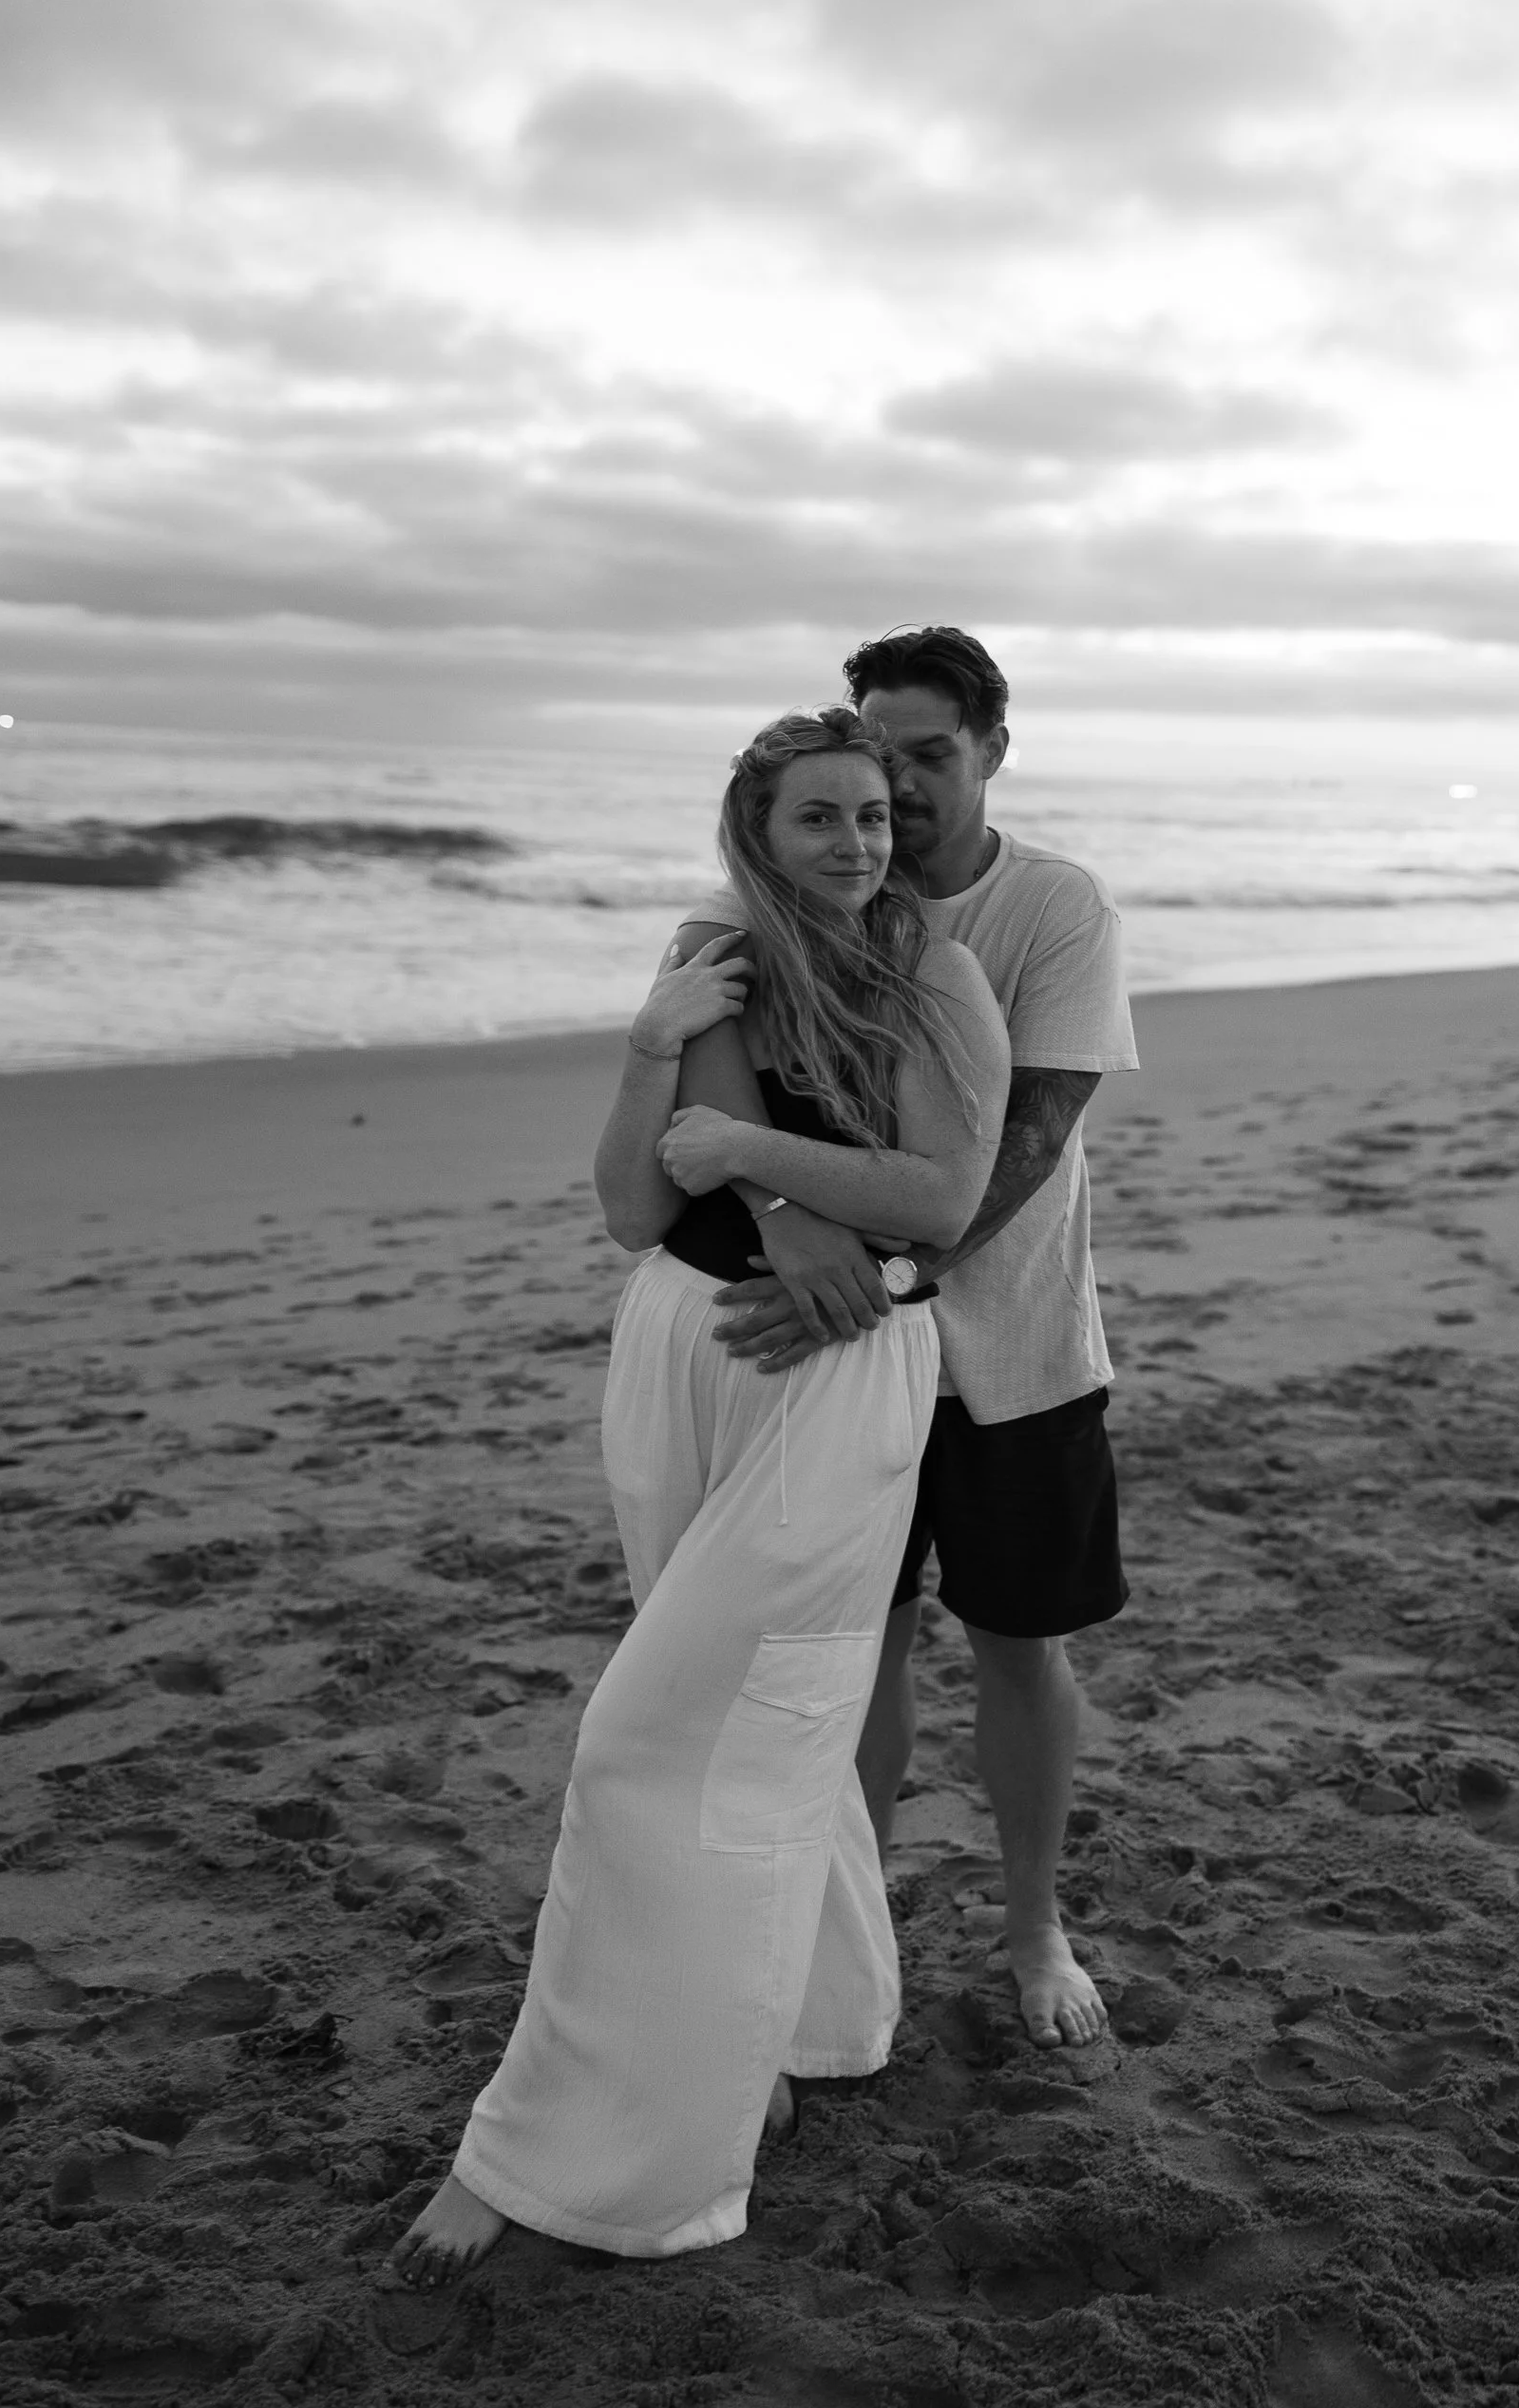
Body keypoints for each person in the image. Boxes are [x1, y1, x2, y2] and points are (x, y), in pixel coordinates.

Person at [393, 707, 1009, 2280]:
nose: (857, 845)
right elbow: (626, 1203)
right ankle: (818, 2020)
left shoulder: (933, 978)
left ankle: (594, 2157)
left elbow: (942, 1194)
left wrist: (751, 1152)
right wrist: (655, 1043)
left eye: (874, 816)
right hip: (683, 1344)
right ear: (754, 823)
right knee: (765, 1723)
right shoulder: (713, 956)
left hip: (839, 1376)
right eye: (820, 818)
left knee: (653, 1741)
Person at [675, 628, 1139, 2054]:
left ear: (995, 750)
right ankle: (851, 1944)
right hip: (835, 1359)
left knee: (1019, 1647)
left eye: (930, 757)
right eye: (880, 760)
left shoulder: (1050, 907)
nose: (903, 792)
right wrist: (780, 1219)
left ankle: (1032, 1926)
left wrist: (867, 1267)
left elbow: (1033, 1138)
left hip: (1018, 1353)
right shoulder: (784, 925)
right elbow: (713, 1130)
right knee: (848, 1660)